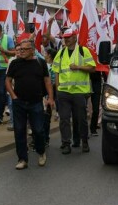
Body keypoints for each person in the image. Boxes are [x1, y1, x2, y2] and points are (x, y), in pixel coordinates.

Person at [6, 38, 53, 169]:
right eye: (20, 49)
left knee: (38, 130)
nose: (21, 51)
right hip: (19, 103)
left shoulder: (40, 63)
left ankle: (41, 152)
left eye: (25, 49)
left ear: (32, 50)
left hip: (36, 102)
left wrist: (50, 98)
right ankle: (22, 159)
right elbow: (8, 81)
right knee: (19, 130)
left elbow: (47, 81)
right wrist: (13, 96)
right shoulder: (15, 63)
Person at [51, 26, 96, 154]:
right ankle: (66, 143)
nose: (66, 40)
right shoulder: (60, 53)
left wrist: (79, 67)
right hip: (64, 92)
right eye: (64, 38)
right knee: (64, 119)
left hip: (79, 92)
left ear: (75, 37)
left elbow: (92, 68)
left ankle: (84, 141)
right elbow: (56, 72)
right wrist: (58, 90)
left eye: (68, 37)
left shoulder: (83, 51)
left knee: (81, 118)